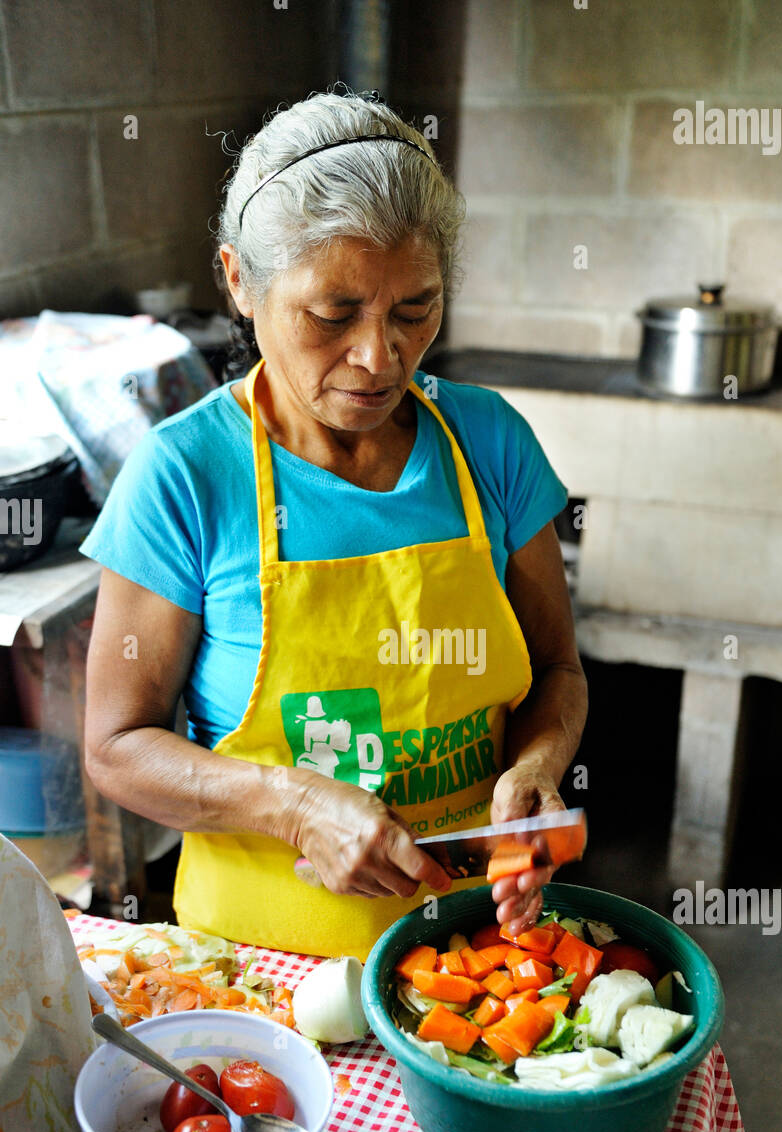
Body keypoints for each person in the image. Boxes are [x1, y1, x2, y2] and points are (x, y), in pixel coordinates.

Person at [81, 90, 588, 960]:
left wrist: (537, 770)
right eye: (332, 313)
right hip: (260, 971)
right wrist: (293, 802)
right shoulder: (185, 476)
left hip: (470, 953)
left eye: (414, 310)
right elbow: (118, 748)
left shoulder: (489, 442)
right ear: (240, 280)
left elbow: (556, 670)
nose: (378, 357)